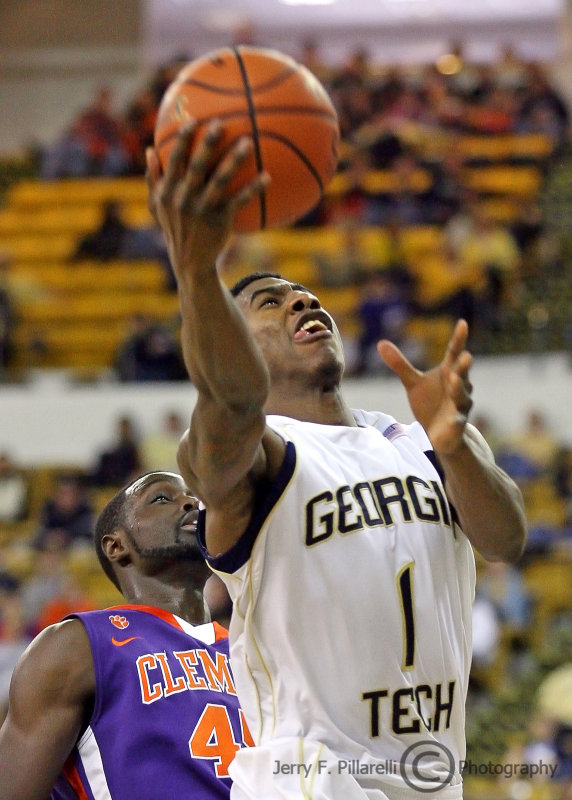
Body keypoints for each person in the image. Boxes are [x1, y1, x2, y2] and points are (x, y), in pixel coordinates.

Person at [146, 119, 527, 799]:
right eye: (271, 301)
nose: (302, 298)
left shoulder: (420, 437)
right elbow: (228, 410)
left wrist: (456, 447)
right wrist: (199, 275)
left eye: (307, 294)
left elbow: (506, 539)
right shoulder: (259, 454)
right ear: (234, 341)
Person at [0, 471, 253, 799]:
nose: (192, 503)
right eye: (162, 498)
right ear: (116, 545)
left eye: (195, 497)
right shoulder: (77, 644)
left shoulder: (251, 652)